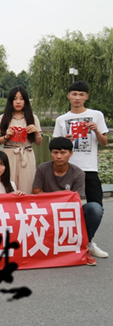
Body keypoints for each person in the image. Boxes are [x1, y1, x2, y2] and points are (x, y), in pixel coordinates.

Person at [52, 81, 108, 260]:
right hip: (67, 169)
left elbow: (104, 142)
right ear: (68, 96)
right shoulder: (61, 119)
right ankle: (64, 242)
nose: (77, 98)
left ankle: (88, 242)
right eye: (74, 94)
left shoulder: (96, 115)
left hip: (90, 169)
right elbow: (55, 146)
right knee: (63, 208)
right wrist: (65, 140)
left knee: (97, 209)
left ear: (86, 97)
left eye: (81, 94)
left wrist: (96, 131)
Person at [32, 137, 104, 265]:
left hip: (68, 210)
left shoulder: (78, 173)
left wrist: (53, 196)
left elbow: (75, 200)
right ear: (51, 153)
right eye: (55, 152)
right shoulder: (43, 168)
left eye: (63, 152)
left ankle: (86, 243)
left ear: (71, 153)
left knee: (95, 208)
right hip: (47, 210)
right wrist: (63, 195)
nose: (59, 156)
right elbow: (36, 193)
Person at [0, 87, 43, 194]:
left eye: (21, 99)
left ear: (26, 101)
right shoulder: (2, 118)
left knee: (27, 185)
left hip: (26, 153)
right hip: (8, 154)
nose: (18, 102)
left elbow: (39, 142)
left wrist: (36, 132)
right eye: (15, 99)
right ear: (10, 101)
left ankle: (25, 204)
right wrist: (6, 136)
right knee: (8, 185)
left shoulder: (33, 118)